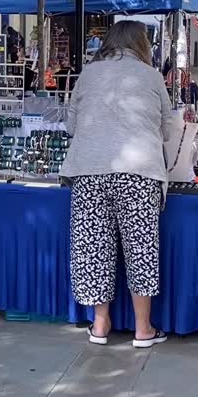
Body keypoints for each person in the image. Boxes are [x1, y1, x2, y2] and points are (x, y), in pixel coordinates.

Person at [62, 20, 173, 348]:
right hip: (139, 172)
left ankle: (100, 324)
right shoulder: (151, 76)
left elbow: (71, 126)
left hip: (90, 171)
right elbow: (166, 130)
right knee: (141, 249)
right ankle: (143, 329)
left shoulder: (88, 74)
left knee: (93, 247)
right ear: (142, 44)